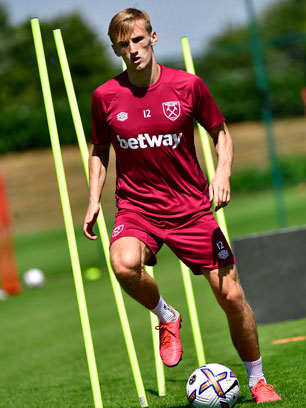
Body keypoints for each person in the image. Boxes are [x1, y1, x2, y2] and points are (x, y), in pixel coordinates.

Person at [83, 8, 281, 403]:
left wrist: (221, 174)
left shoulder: (188, 86)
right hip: (137, 208)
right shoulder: (105, 96)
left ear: (153, 38)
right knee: (122, 262)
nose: (133, 50)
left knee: (231, 297)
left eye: (138, 40)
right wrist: (93, 200)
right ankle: (166, 316)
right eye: (123, 45)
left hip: (191, 207)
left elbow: (220, 133)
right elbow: (99, 150)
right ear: (115, 49)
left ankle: (258, 380)